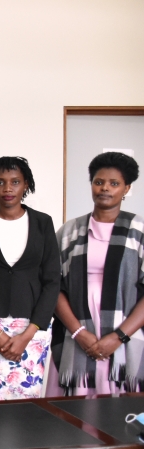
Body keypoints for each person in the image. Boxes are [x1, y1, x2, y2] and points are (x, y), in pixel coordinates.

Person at [48, 151, 144, 396]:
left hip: (127, 335)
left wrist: (118, 337)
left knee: (122, 418)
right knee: (76, 419)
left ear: (127, 188)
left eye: (114, 183)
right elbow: (53, 286)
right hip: (76, 333)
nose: (105, 189)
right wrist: (79, 333)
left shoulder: (139, 231)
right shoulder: (69, 231)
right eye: (99, 182)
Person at [0, 156, 60, 401]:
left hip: (33, 326)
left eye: (15, 181)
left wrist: (26, 336)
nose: (7, 188)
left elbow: (52, 281)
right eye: (0, 182)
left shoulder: (43, 222)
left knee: (28, 403)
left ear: (26, 184)